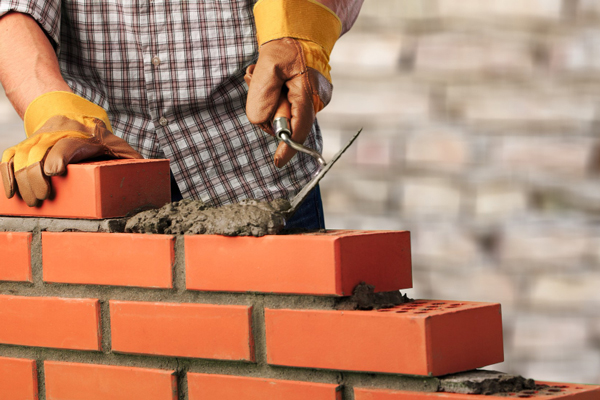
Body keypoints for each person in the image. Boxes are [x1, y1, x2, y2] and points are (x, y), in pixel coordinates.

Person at [0, 0, 363, 229]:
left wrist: (300, 32)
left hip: (256, 170)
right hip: (103, 168)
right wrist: (54, 109)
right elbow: (14, 9)